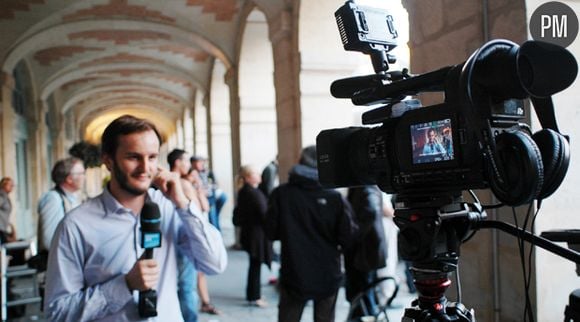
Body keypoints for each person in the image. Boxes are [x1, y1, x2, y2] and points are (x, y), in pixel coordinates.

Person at [44, 115, 227, 321]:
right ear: (108, 161)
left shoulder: (170, 208)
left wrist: (183, 204)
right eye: (133, 157)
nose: (145, 168)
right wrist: (124, 285)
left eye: (152, 157)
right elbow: (57, 312)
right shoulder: (76, 225)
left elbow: (214, 263)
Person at [265, 145, 358, 322]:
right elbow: (348, 237)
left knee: (289, 317)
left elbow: (271, 232)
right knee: (325, 318)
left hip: (294, 270)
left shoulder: (282, 194)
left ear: (300, 162)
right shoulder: (334, 197)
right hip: (328, 272)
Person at [168, 149, 205, 322]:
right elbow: (201, 209)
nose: (188, 165)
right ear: (177, 162)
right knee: (187, 286)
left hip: (171, 237)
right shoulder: (183, 184)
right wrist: (198, 187)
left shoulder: (164, 182)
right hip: (185, 236)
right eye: (186, 161)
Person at [345, 185, 388, 319]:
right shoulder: (364, 187)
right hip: (366, 250)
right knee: (365, 291)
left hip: (365, 251)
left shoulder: (366, 188)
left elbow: (371, 211)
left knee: (363, 293)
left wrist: (355, 233)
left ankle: (367, 317)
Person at [234, 165, 273, 307]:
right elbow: (264, 214)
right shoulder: (252, 193)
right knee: (255, 266)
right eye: (256, 173)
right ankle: (254, 296)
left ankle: (253, 294)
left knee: (254, 265)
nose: (259, 175)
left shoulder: (246, 191)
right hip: (255, 236)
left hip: (250, 233)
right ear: (249, 177)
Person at [37, 157, 86, 253]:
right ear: (69, 179)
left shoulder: (71, 198)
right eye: (82, 173)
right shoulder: (53, 199)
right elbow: (49, 240)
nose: (84, 177)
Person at [191, 156, 227, 231]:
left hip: (211, 198)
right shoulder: (192, 174)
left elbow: (216, 184)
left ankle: (217, 237)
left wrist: (208, 188)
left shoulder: (208, 172)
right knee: (212, 219)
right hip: (203, 200)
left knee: (214, 218)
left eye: (201, 162)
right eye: (198, 163)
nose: (201, 165)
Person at [0, 177, 15, 243]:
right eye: (10, 185)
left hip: (3, 228)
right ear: (4, 185)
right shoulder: (1, 195)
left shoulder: (5, 195)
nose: (12, 186)